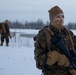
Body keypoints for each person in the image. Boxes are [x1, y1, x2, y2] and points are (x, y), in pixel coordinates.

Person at [34, 6, 76, 75]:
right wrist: (57, 57)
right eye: (58, 17)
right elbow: (39, 60)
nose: (61, 19)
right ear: (52, 19)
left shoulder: (69, 34)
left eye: (62, 16)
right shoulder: (44, 35)